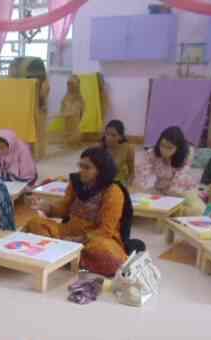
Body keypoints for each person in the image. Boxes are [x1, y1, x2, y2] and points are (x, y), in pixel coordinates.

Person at [24, 147, 133, 277]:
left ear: (101, 171)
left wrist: (76, 240)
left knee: (109, 255)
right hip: (69, 231)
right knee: (35, 223)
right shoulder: (76, 183)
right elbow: (64, 209)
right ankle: (69, 257)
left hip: (94, 238)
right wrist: (45, 206)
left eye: (87, 168)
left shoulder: (113, 191)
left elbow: (106, 230)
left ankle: (61, 255)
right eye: (80, 166)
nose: (81, 171)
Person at [136, 126, 205, 216]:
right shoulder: (152, 153)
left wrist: (169, 202)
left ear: (178, 148)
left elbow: (179, 179)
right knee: (142, 203)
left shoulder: (187, 154)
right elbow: (143, 174)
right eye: (162, 145)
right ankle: (176, 211)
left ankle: (178, 210)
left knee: (199, 210)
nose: (164, 150)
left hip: (183, 189)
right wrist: (144, 190)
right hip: (160, 189)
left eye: (169, 148)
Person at [101, 120, 135, 186]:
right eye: (107, 134)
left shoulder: (128, 149)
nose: (109, 138)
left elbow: (132, 173)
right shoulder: (99, 148)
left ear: (121, 137)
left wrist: (127, 186)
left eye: (113, 135)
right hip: (103, 181)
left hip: (120, 181)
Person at [60, 75, 85, 148]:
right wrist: (64, 111)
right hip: (67, 117)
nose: (69, 86)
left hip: (75, 117)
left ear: (76, 85)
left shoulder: (79, 97)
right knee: (67, 128)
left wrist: (79, 112)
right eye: (68, 84)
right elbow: (63, 105)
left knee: (75, 128)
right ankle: (68, 142)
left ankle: (75, 142)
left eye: (71, 84)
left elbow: (81, 108)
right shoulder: (66, 96)